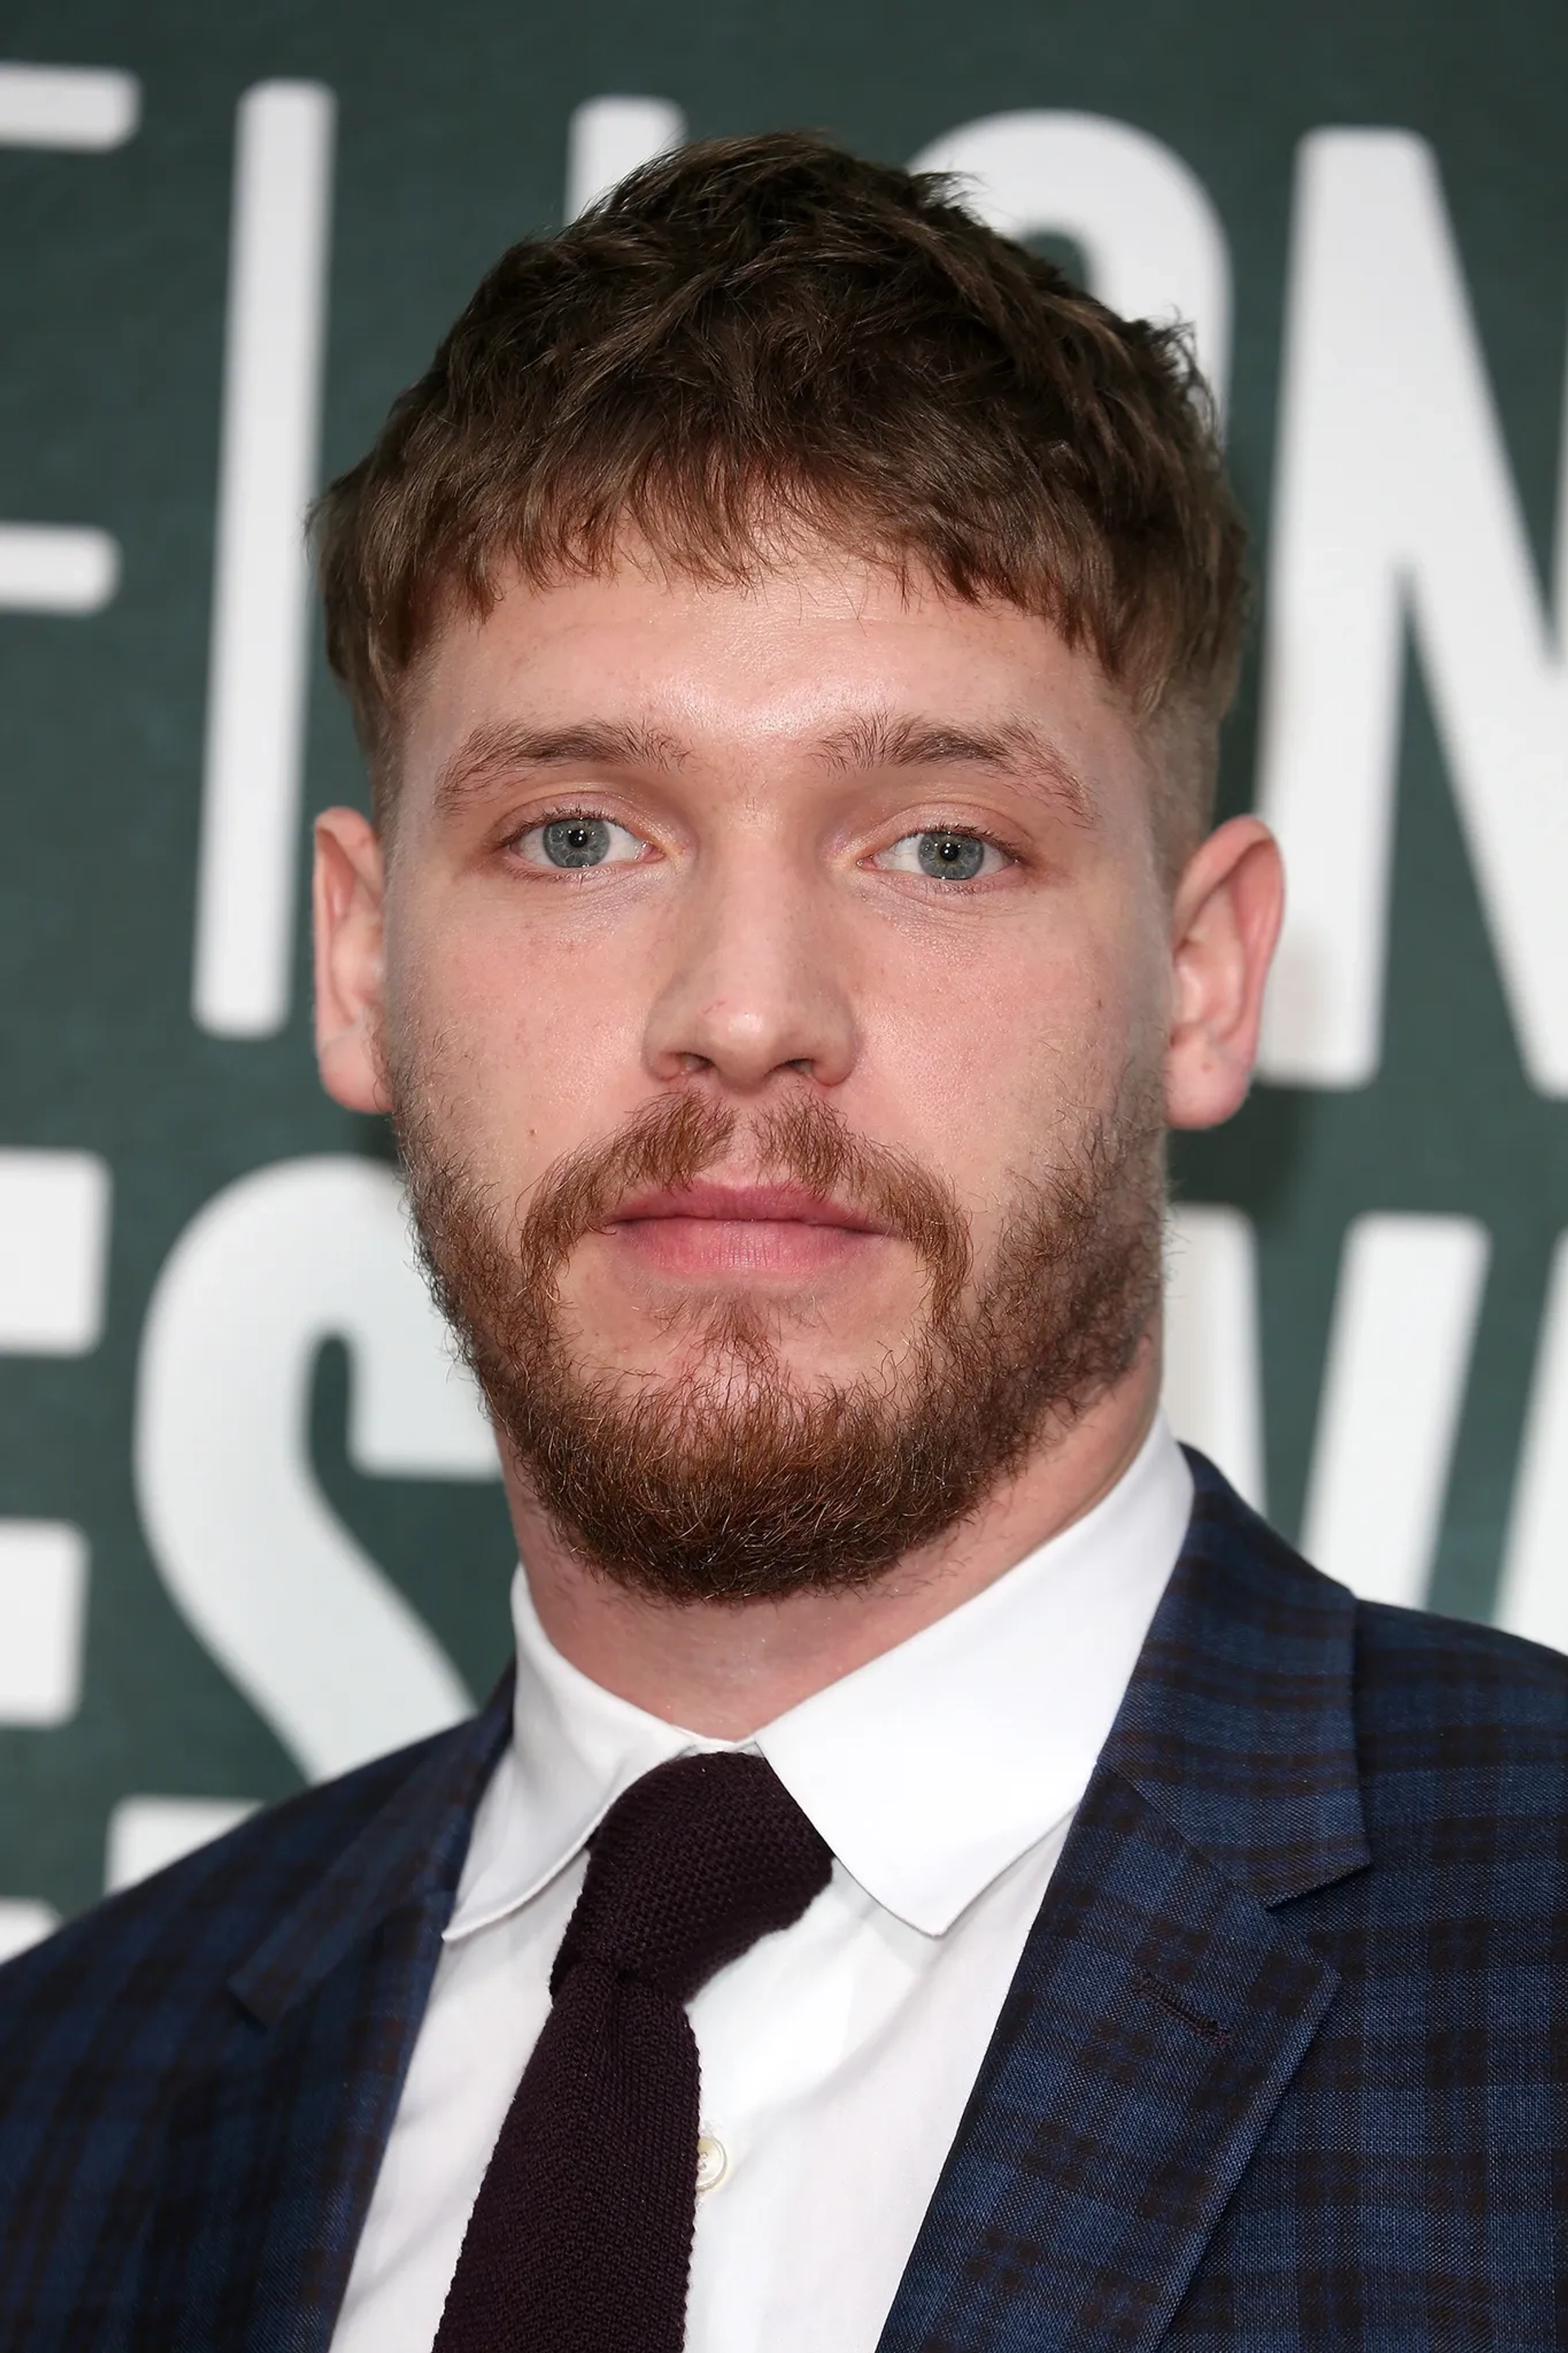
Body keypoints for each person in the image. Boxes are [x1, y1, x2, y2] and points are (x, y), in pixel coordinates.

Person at [1, 130, 1564, 2353]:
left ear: (1205, 979)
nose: (746, 1010)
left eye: (939, 844)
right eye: (574, 832)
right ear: (359, 964)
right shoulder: (60, 2117)